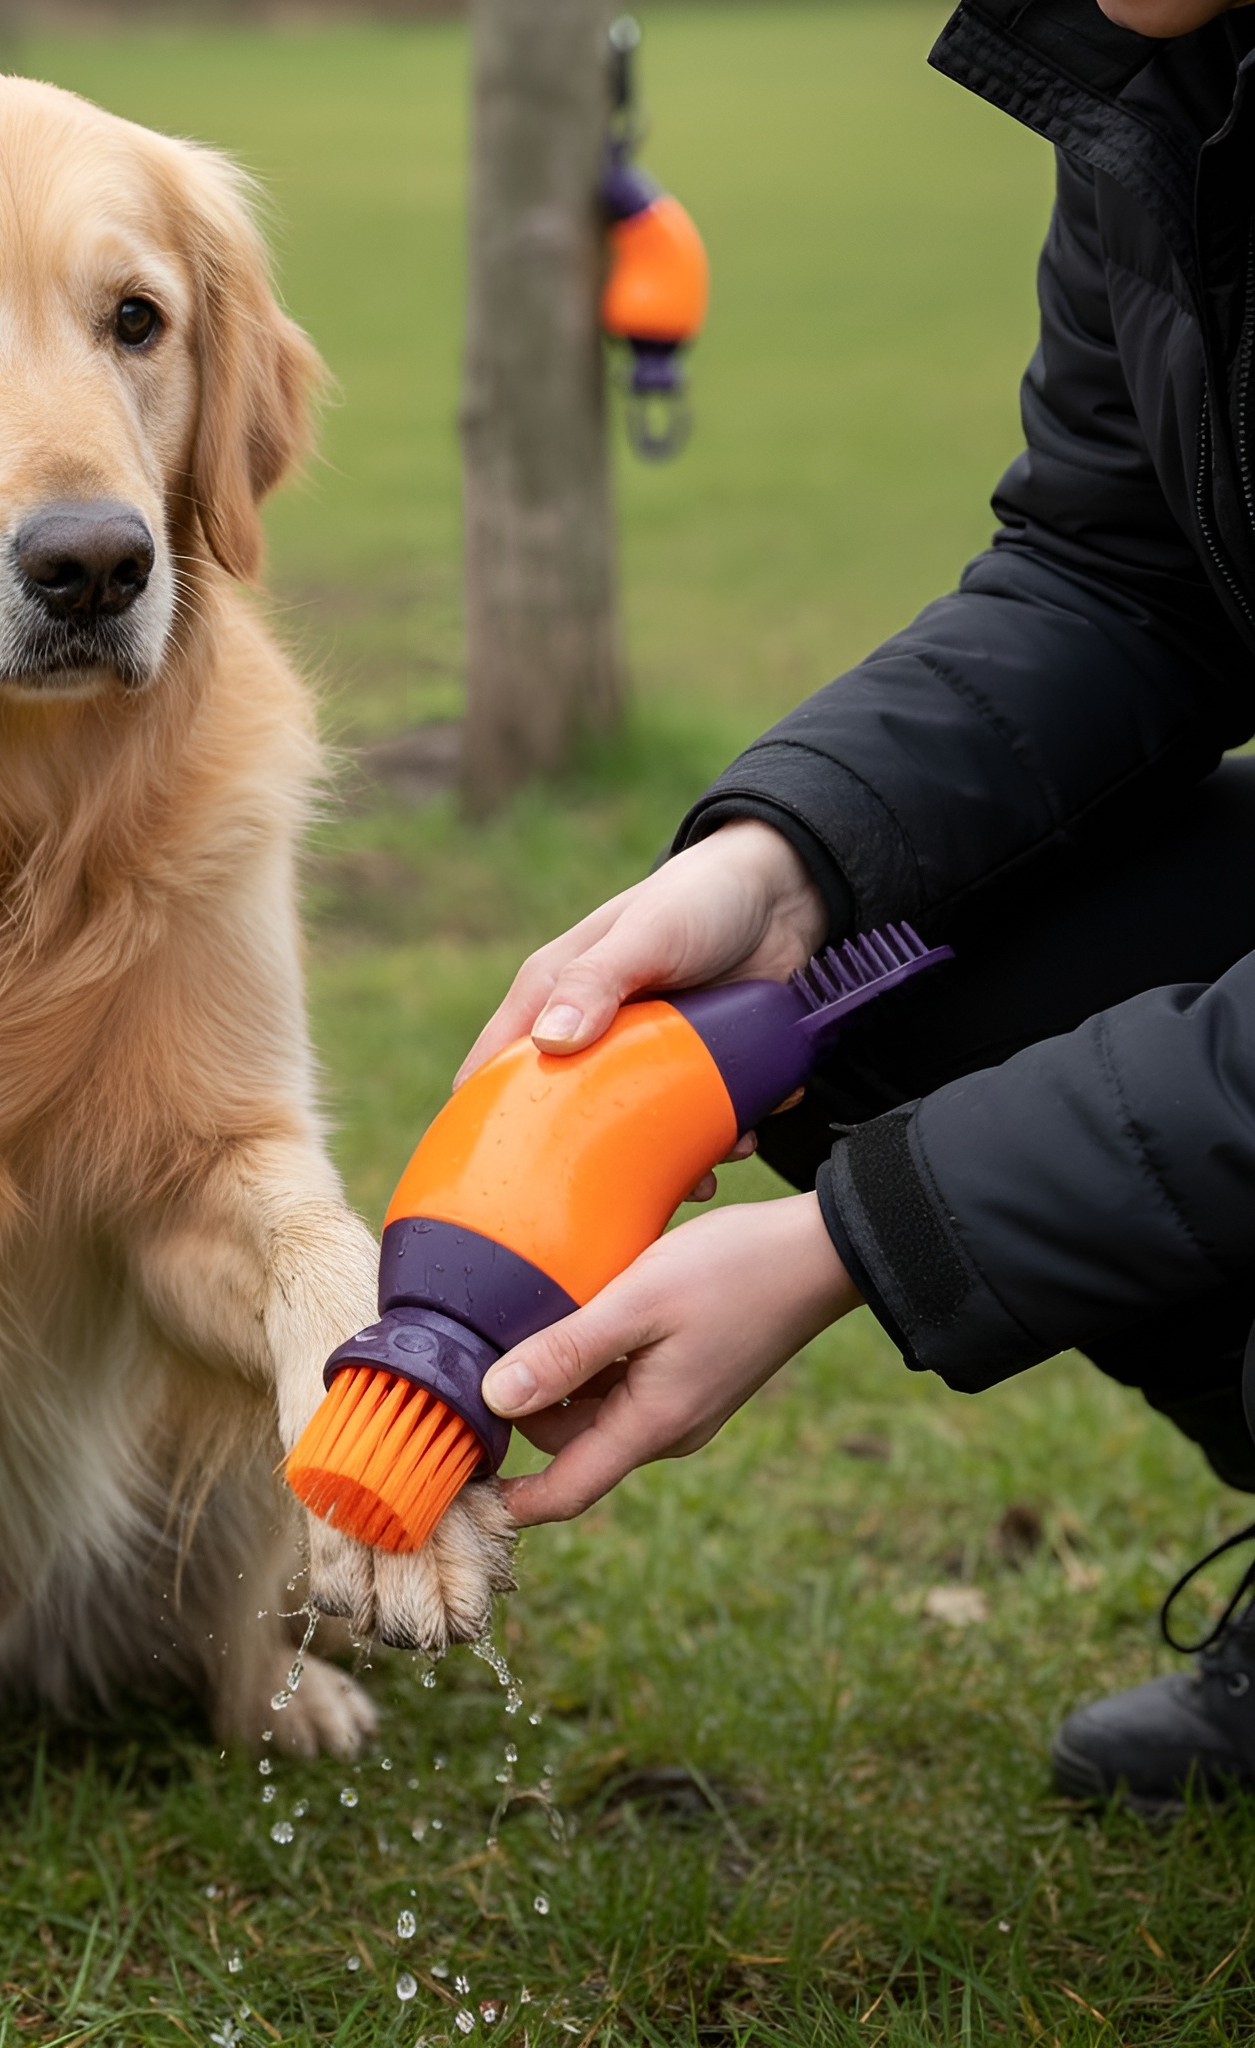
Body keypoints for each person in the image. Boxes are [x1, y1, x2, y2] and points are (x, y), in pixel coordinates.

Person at [463, 0, 1255, 1811]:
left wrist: (855, 1245)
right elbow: (1122, 568)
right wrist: (784, 858)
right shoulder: (1166, 69)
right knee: (864, 975)